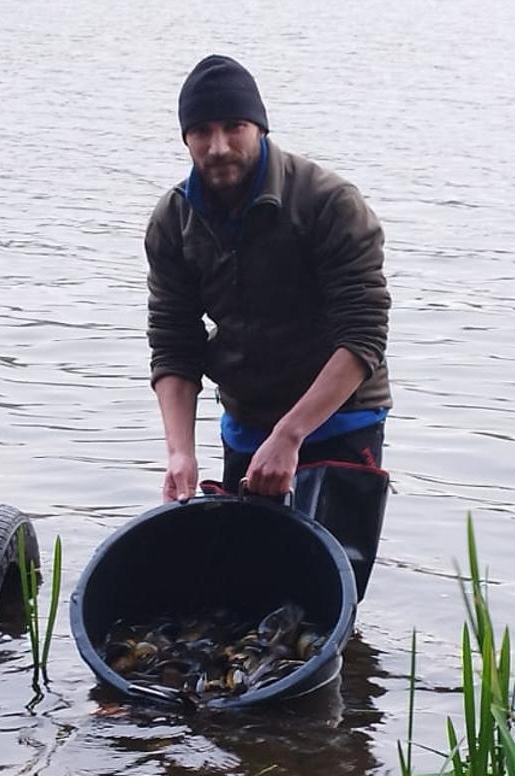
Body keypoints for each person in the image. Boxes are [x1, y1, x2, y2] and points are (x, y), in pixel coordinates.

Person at [145, 54, 392, 501]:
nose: (218, 146)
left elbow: (363, 335)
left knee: (328, 568)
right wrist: (180, 453)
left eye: (234, 126)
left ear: (260, 128)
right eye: (202, 131)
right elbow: (173, 343)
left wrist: (290, 434)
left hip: (340, 420)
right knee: (246, 569)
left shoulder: (329, 203)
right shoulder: (172, 220)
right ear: (186, 139)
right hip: (246, 426)